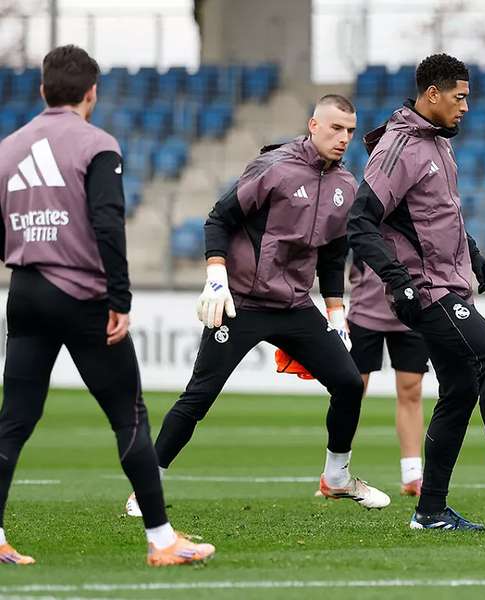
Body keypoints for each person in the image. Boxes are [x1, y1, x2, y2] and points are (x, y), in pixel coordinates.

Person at [124, 94, 390, 517]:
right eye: (336, 128)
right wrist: (216, 277)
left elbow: (332, 255)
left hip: (294, 305)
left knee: (348, 383)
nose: (344, 138)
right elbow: (219, 219)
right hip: (243, 302)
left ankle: (337, 478)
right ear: (313, 125)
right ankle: (145, 489)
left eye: (350, 131)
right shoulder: (273, 168)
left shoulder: (345, 185)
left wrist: (336, 312)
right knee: (199, 397)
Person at [0, 45, 214, 566]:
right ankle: (161, 540)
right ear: (92, 93)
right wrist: (120, 297)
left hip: (24, 291)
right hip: (81, 296)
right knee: (128, 415)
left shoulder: (8, 148)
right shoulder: (97, 144)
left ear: (43, 90)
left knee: (15, 419)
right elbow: (107, 223)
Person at [348, 53, 485, 532]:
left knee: (460, 391)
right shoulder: (399, 147)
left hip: (450, 286)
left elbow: (436, 217)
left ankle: (430, 511)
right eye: (459, 96)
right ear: (433, 94)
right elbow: (360, 221)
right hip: (427, 292)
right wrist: (397, 280)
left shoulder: (438, 144)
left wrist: (473, 252)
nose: (465, 107)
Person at [347, 256, 429, 496]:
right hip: (364, 311)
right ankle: (335, 473)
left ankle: (412, 475)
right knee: (351, 391)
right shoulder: (362, 228)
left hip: (412, 312)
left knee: (411, 390)